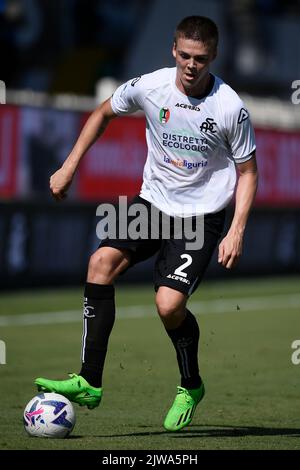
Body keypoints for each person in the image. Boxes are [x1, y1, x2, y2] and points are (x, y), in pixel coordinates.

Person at [35, 16, 258, 432]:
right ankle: (89, 379)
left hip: (200, 216)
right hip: (152, 204)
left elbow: (248, 173)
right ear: (174, 51)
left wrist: (237, 229)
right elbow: (103, 112)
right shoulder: (150, 86)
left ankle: (190, 385)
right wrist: (68, 167)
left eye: (202, 59)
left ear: (214, 57)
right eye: (186, 56)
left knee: (168, 305)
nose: (192, 65)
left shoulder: (230, 108)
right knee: (100, 263)